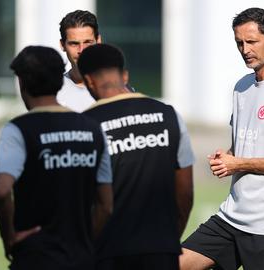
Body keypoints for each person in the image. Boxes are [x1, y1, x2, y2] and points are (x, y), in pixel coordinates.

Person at [179, 7, 264, 270]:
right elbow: (245, 144)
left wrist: (238, 164)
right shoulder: (241, 87)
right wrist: (226, 156)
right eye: (239, 42)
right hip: (231, 217)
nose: (245, 49)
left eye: (252, 41)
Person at [0, 46, 113, 270]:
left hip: (35, 257)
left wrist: (9, 237)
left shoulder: (18, 130)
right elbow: (106, 205)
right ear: (60, 82)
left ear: (22, 83)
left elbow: (1, 191)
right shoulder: (92, 129)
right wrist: (86, 241)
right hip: (82, 258)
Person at [78, 44, 195, 270]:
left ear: (88, 81)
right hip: (161, 250)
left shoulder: (85, 125)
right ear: (124, 75)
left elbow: (82, 200)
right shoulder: (169, 115)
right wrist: (168, 239)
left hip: (107, 252)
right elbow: (185, 192)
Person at [57, 10, 101, 112]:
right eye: (74, 43)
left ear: (98, 41)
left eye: (87, 42)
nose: (81, 50)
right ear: (62, 45)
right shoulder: (53, 94)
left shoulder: (118, 91)